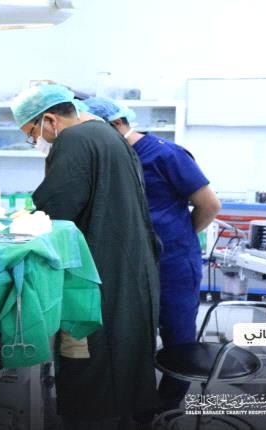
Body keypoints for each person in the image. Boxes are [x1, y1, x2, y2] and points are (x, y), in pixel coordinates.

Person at [11, 84, 161, 429]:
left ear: (50, 120)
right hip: (129, 269)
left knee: (91, 367)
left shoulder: (74, 140)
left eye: (32, 133)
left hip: (97, 275)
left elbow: (57, 210)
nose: (35, 141)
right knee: (124, 363)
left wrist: (27, 222)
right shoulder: (108, 135)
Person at [84, 96, 221, 415]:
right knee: (132, 338)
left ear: (117, 123)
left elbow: (209, 205)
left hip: (172, 264)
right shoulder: (107, 158)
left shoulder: (166, 154)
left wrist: (177, 237)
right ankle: (137, 404)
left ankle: (168, 408)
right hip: (129, 265)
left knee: (178, 339)